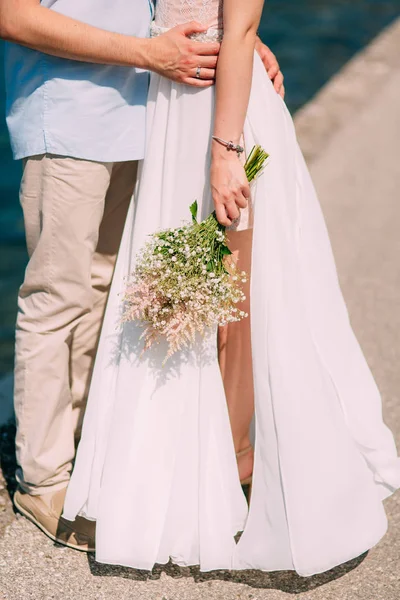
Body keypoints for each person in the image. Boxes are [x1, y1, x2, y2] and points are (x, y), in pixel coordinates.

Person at [63, 0, 400, 576]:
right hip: (174, 102)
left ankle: (242, 464)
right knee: (182, 290)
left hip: (219, 116)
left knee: (234, 294)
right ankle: (178, 472)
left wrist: (225, 153)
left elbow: (239, 25)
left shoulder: (225, 135)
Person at [0, 0, 284, 551]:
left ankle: (82, 448)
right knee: (57, 297)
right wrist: (146, 54)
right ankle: (43, 477)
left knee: (106, 291)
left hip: (143, 114)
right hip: (70, 118)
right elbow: (11, 16)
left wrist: (236, 42)